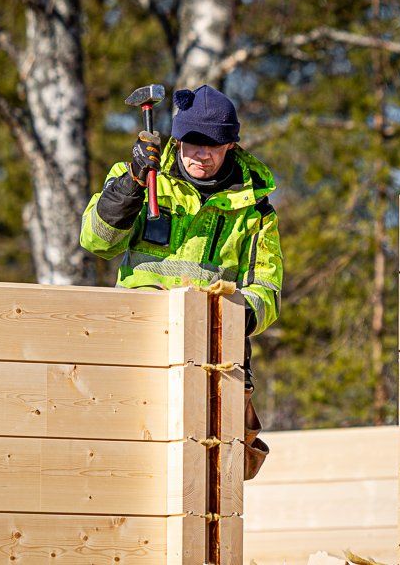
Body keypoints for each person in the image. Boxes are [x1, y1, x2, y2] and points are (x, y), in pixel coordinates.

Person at [79, 84, 282, 479]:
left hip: (215, 353)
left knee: (218, 470)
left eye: (214, 144)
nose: (202, 154)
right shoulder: (138, 177)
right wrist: (132, 186)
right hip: (136, 344)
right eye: (192, 142)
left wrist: (231, 317)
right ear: (178, 138)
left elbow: (267, 291)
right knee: (125, 460)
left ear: (232, 146)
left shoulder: (256, 209)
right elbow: (96, 241)